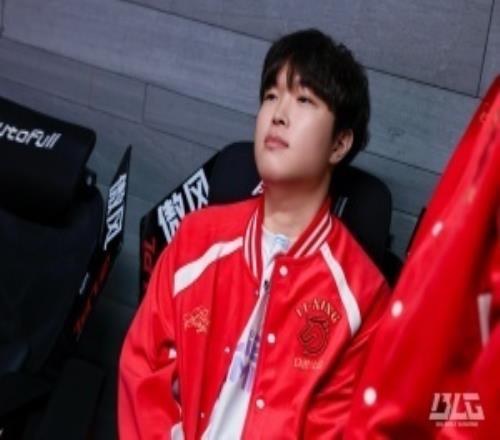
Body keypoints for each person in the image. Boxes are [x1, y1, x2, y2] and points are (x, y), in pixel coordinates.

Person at [118, 28, 390, 439]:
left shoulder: (364, 299)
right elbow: (143, 373)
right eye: (270, 95)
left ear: (339, 144)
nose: (278, 113)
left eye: (304, 99)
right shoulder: (195, 240)